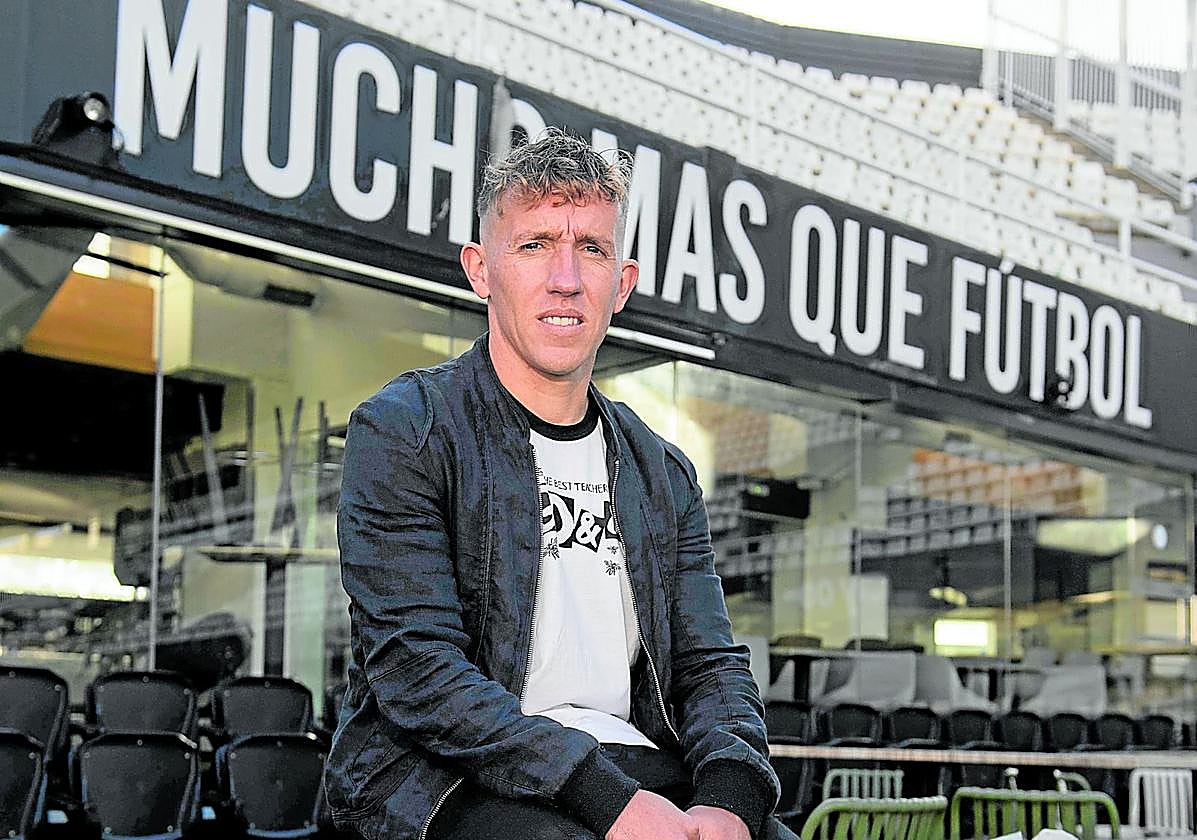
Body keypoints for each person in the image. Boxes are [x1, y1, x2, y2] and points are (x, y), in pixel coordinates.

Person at [325, 128, 795, 840]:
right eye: (535, 243)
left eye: (592, 249)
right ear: (481, 270)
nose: (565, 279)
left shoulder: (660, 472)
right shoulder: (406, 430)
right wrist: (607, 802)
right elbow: (418, 670)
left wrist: (730, 797)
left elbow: (708, 667)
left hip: (632, 766)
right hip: (443, 777)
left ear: (622, 284)